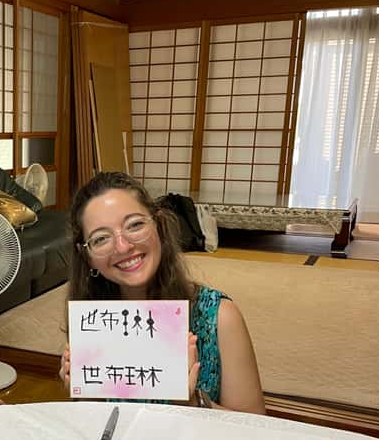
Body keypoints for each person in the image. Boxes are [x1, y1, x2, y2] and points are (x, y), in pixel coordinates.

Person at [59, 171, 265, 414]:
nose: (123, 246)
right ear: (87, 255)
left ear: (158, 225)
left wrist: (192, 401)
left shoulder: (218, 316)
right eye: (101, 238)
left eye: (134, 225)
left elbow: (255, 426)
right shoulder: (92, 322)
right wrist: (84, 394)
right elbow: (95, 426)